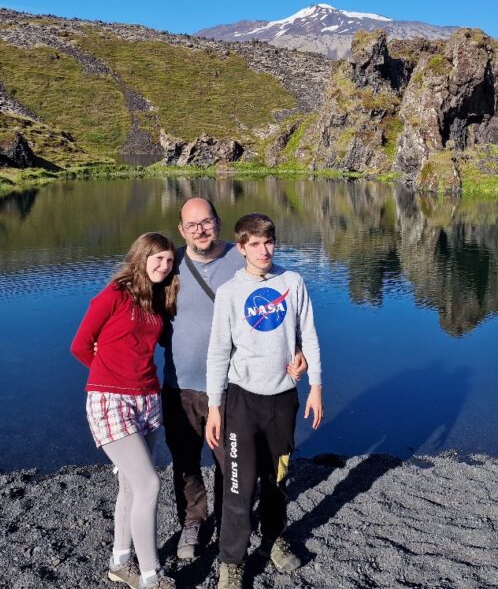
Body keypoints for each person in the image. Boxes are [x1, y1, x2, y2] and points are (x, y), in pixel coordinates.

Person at [159, 197, 306, 561]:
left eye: (206, 222)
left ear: (218, 223)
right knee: (185, 460)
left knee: (231, 462)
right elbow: (135, 299)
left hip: (228, 389)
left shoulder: (242, 256)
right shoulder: (169, 264)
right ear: (181, 230)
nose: (200, 230)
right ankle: (192, 523)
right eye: (192, 225)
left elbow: (281, 303)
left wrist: (297, 348)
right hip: (179, 385)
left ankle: (230, 523)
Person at [206, 213, 323, 589]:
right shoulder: (229, 292)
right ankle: (232, 563)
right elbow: (218, 352)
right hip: (241, 401)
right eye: (254, 244)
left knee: (277, 480)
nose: (263, 250)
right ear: (240, 248)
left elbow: (309, 333)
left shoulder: (293, 281)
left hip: (284, 399)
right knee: (238, 487)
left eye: (268, 242)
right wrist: (213, 406)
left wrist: (316, 385)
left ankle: (274, 540)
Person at [71, 232, 178, 589]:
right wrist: (109, 375)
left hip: (147, 398)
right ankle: (151, 576)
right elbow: (81, 345)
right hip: (110, 399)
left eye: (168, 260)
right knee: (149, 484)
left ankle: (120, 562)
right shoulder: (116, 294)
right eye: (157, 258)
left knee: (131, 486)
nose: (163, 266)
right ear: (141, 256)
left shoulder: (157, 297)